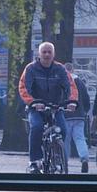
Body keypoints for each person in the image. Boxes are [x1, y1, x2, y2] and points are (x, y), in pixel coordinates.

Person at [18, 42, 77, 173]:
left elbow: (70, 86)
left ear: (53, 54)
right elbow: (23, 87)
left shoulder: (60, 69)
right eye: (44, 52)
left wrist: (72, 101)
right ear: (39, 54)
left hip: (56, 107)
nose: (47, 54)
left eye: (49, 52)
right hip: (36, 108)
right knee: (37, 127)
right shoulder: (31, 68)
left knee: (63, 129)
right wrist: (32, 102)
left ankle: (57, 154)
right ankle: (34, 161)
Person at [63, 63, 91, 173]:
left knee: (66, 140)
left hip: (66, 114)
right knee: (80, 138)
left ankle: (64, 161)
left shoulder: (63, 81)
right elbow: (86, 98)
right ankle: (84, 159)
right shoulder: (79, 82)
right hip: (79, 114)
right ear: (73, 70)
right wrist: (85, 110)